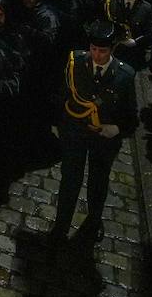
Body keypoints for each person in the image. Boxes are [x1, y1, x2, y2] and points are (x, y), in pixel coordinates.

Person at [52, 20, 138, 245]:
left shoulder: (125, 75)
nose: (97, 55)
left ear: (112, 50)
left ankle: (92, 222)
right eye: (93, 49)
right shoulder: (75, 62)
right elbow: (63, 96)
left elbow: (131, 117)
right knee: (70, 180)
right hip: (75, 133)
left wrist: (116, 129)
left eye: (102, 51)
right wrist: (62, 126)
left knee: (98, 183)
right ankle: (60, 227)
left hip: (103, 140)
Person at [102, 0, 152, 70]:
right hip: (115, 49)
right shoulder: (113, 2)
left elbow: (148, 33)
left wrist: (135, 41)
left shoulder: (145, 8)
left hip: (133, 52)